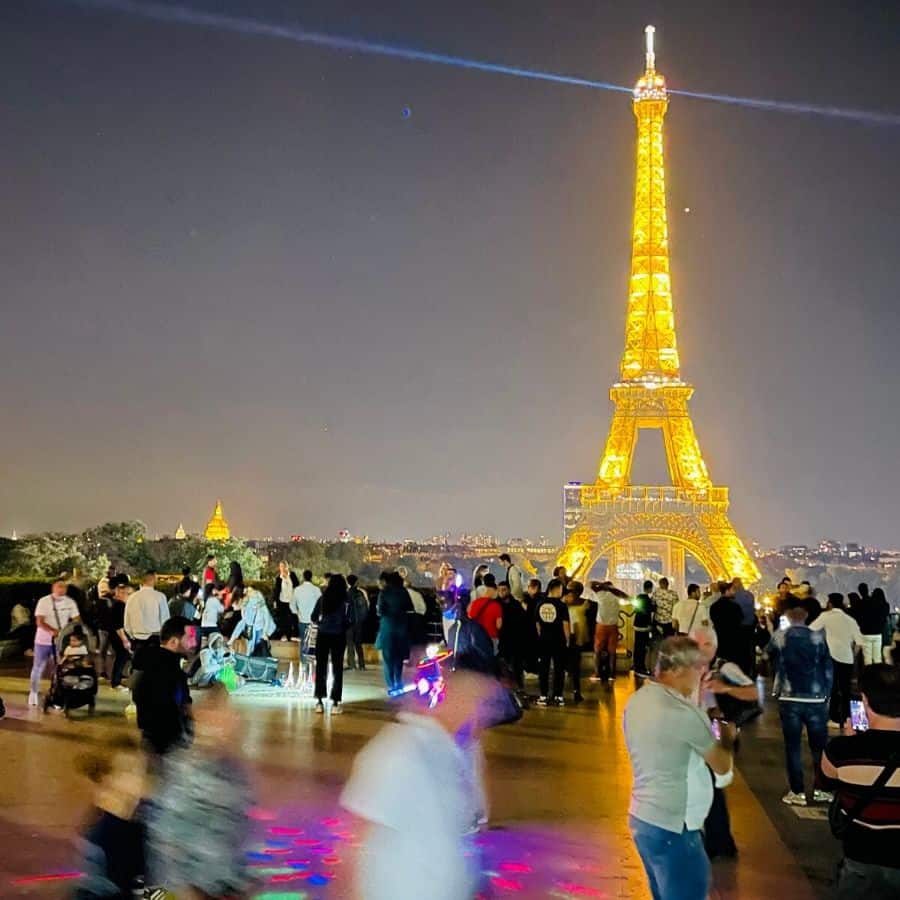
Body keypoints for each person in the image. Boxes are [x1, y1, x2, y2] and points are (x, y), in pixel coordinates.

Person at [340, 669, 493, 900]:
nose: (480, 715)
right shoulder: (398, 748)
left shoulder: (460, 754)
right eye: (473, 703)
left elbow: (470, 826)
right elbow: (358, 831)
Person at [625, 636, 736, 900]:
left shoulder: (638, 700)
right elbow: (722, 768)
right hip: (676, 826)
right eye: (699, 668)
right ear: (677, 669)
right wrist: (728, 738)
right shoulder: (684, 712)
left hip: (644, 818)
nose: (702, 675)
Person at [146, 682, 253, 897]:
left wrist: (238, 878)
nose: (226, 727)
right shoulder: (183, 770)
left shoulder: (232, 770)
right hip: (193, 886)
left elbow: (235, 828)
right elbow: (165, 841)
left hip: (218, 881)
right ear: (200, 720)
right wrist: (183, 891)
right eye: (218, 719)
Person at [821, 664, 900, 899]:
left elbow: (826, 782)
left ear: (865, 701)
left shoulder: (841, 750)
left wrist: (851, 740)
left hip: (860, 858)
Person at [768, 605, 834, 806]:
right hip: (815, 697)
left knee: (793, 747)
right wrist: (827, 693)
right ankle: (822, 788)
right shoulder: (818, 636)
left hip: (789, 697)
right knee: (819, 747)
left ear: (788, 618)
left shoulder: (780, 636)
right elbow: (828, 668)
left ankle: (797, 792)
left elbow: (767, 654)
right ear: (806, 618)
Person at [73, 735, 148, 899]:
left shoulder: (125, 821)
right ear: (109, 779)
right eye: (131, 772)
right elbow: (137, 889)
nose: (141, 779)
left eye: (142, 771)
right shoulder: (110, 833)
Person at [133, 616, 196, 757]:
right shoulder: (162, 669)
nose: (194, 643)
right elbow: (146, 698)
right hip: (161, 737)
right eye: (190, 638)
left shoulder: (166, 665)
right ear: (174, 642)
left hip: (162, 738)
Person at [810, 593, 863, 728]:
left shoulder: (826, 616)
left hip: (831, 657)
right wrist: (853, 655)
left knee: (833, 688)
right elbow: (859, 642)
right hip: (847, 658)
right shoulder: (849, 619)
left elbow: (811, 629)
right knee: (846, 689)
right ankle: (850, 719)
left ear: (830, 603)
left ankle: (834, 718)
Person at [29, 579, 81, 707]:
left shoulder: (70, 602)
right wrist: (53, 631)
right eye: (59, 586)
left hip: (60, 642)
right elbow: (39, 621)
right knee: (38, 667)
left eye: (64, 587)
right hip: (42, 641)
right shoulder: (44, 601)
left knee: (59, 669)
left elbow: (77, 619)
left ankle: (57, 695)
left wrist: (69, 631)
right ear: (53, 587)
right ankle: (33, 692)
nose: (61, 589)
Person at [311, 574, 351, 714]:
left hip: (323, 635)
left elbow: (313, 617)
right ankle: (335, 702)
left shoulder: (323, 599)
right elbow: (350, 619)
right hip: (339, 636)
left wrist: (321, 623)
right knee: (337, 668)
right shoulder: (346, 600)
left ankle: (319, 701)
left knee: (321, 667)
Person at [376, 571, 413, 694]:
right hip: (401, 628)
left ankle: (391, 684)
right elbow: (410, 607)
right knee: (398, 658)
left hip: (388, 628)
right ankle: (398, 682)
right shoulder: (403, 592)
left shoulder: (384, 592)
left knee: (388, 659)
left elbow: (380, 611)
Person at [535, 578, 569, 707]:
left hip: (544, 640)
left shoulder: (540, 604)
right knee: (559, 668)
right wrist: (567, 640)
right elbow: (565, 624)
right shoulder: (561, 605)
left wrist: (542, 635)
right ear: (557, 589)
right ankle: (558, 696)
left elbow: (537, 624)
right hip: (558, 640)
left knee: (544, 668)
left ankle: (543, 695)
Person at [123, 571, 170, 664]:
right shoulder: (160, 597)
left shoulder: (132, 597)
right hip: (155, 638)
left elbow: (126, 622)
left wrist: (132, 636)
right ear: (154, 580)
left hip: (137, 639)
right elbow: (165, 620)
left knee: (138, 667)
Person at [228, 587, 276, 656]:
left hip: (260, 629)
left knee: (258, 651)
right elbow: (243, 623)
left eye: (234, 603)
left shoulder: (254, 602)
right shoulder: (246, 605)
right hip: (256, 628)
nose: (233, 606)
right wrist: (232, 639)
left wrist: (265, 633)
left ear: (240, 599)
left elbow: (266, 617)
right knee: (255, 651)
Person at [591, 581, 621, 683]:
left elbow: (591, 585)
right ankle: (612, 674)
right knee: (612, 652)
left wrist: (601, 585)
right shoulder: (616, 597)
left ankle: (597, 673)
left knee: (597, 650)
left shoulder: (601, 595)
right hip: (613, 626)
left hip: (601, 626)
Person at [709, 581, 745, 667]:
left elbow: (713, 620)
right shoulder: (735, 607)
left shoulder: (714, 606)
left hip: (720, 640)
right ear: (727, 591)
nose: (735, 592)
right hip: (733, 642)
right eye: (733, 590)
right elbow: (740, 620)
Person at [853, 585, 890, 666]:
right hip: (878, 634)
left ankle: (869, 672)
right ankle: (878, 672)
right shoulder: (885, 605)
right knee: (877, 657)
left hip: (866, 634)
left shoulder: (868, 604)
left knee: (867, 658)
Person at [564, 581, 588, 703]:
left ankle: (575, 691)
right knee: (574, 666)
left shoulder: (569, 607)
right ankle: (575, 691)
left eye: (570, 591)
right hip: (569, 637)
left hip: (573, 637)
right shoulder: (580, 605)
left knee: (574, 666)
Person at [467, 574, 503, 652]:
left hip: (477, 637)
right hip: (491, 637)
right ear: (494, 591)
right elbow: (499, 625)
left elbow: (470, 618)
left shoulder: (475, 603)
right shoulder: (496, 606)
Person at [108, 580, 132, 691]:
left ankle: (118, 678)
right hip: (118, 636)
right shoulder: (119, 606)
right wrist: (124, 639)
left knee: (123, 657)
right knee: (121, 656)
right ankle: (115, 682)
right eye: (128, 594)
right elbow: (118, 625)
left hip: (117, 635)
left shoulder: (121, 605)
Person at [291, 569, 321, 647]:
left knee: (303, 643)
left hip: (302, 620)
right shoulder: (316, 590)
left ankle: (303, 655)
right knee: (313, 644)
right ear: (311, 577)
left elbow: (292, 605)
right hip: (314, 622)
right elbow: (321, 605)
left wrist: (297, 613)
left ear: (303, 577)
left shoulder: (297, 590)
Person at [632, 580, 656, 675]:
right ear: (650, 589)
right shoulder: (648, 600)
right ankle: (641, 667)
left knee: (637, 646)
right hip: (644, 627)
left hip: (637, 625)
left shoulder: (638, 597)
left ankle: (635, 665)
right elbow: (650, 611)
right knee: (643, 648)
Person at [272, 560, 300, 641]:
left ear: (287, 567)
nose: (282, 568)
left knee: (293, 618)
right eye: (280, 566)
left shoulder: (292, 575)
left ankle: (294, 635)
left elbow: (297, 586)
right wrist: (275, 601)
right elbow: (276, 590)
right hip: (282, 601)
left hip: (291, 601)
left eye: (283, 566)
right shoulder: (278, 578)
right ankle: (286, 635)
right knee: (283, 620)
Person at [346, 575, 369, 670]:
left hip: (348, 623)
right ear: (356, 582)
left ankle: (352, 664)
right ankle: (362, 664)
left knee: (350, 644)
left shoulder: (346, 594)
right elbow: (365, 608)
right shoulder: (360, 593)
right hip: (358, 622)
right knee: (358, 644)